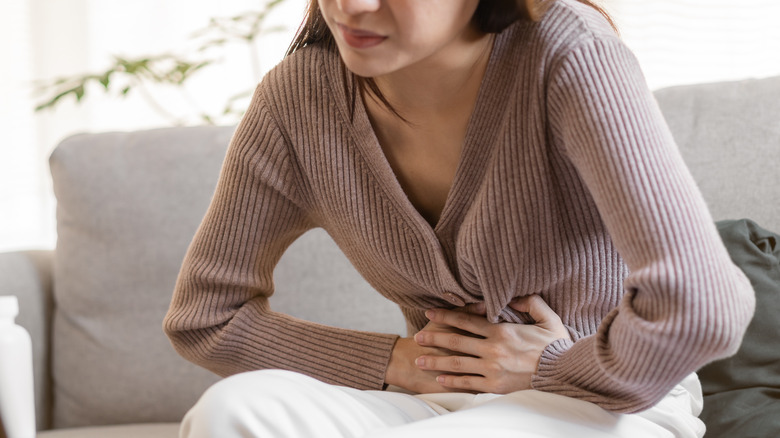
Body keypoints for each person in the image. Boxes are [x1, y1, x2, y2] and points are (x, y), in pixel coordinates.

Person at [163, 0, 756, 436]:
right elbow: (205, 317)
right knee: (232, 412)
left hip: (613, 405)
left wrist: (552, 366)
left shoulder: (568, 53)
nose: (353, 5)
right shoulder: (299, 101)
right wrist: (403, 363)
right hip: (440, 404)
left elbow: (704, 304)